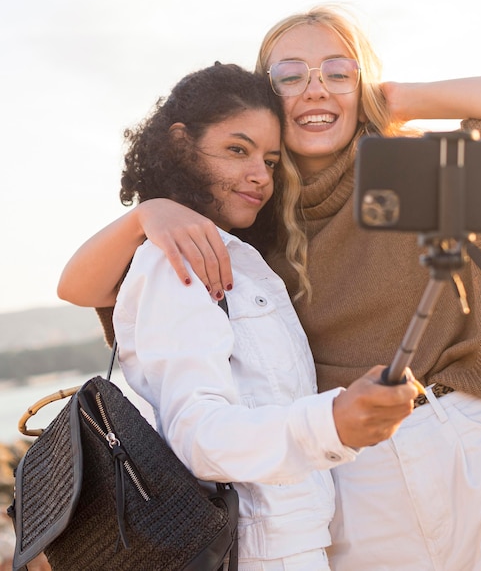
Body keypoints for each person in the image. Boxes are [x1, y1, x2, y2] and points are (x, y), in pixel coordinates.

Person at [58, 7, 481, 570]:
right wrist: (145, 214)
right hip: (353, 471)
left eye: (337, 72)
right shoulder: (251, 213)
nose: (315, 89)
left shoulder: (422, 169)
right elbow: (81, 287)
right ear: (265, 98)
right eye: (291, 76)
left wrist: (390, 98)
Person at [73, 61, 418, 570]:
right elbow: (196, 434)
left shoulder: (240, 258)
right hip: (260, 552)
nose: (260, 175)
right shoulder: (177, 261)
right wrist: (334, 422)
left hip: (290, 541)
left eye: (272, 161)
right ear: (181, 145)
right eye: (238, 150)